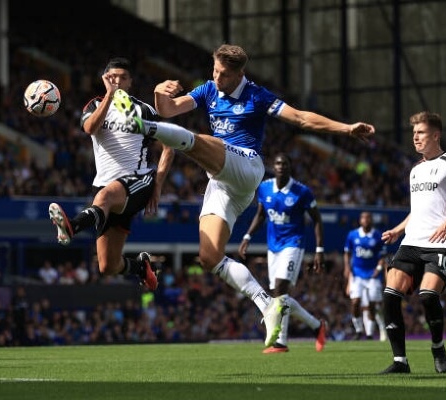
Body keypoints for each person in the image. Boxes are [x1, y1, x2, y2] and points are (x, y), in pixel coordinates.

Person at [113, 43, 375, 347]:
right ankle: (267, 304)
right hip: (222, 182)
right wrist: (159, 92)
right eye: (214, 70)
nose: (216, 77)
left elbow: (301, 118)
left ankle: (142, 126)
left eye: (223, 74)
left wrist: (346, 129)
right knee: (209, 256)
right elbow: (169, 109)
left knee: (201, 142)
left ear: (240, 74)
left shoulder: (257, 95)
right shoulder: (208, 90)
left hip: (248, 165)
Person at [48, 57, 174, 291]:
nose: (117, 81)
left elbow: (169, 145)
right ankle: (139, 266)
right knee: (108, 265)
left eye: (122, 77)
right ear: (104, 79)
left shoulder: (144, 110)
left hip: (138, 180)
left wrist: (157, 185)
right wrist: (109, 96)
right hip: (106, 185)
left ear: (130, 82)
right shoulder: (94, 106)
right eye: (112, 77)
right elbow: (89, 129)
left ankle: (72, 227)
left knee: (104, 198)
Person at [379, 111, 446, 374]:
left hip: (442, 241)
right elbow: (419, 210)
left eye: (420, 133)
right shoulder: (415, 170)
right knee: (390, 295)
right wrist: (399, 229)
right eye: (413, 134)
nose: (415, 138)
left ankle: (438, 346)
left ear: (436, 135)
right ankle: (400, 361)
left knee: (427, 295)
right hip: (412, 241)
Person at [238, 153, 327, 353]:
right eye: (277, 163)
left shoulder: (302, 192)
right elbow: (261, 215)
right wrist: (247, 236)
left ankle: (281, 341)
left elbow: (317, 220)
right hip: (273, 247)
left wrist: (319, 250)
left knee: (280, 290)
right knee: (280, 296)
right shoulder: (264, 188)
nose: (280, 166)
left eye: (284, 163)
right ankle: (316, 326)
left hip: (293, 244)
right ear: (273, 166)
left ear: (289, 167)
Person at [343, 211, 387, 341]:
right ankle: (358, 330)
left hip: (373, 275)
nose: (366, 220)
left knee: (372, 305)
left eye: (368, 217)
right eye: (363, 218)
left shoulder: (378, 235)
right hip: (357, 274)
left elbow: (382, 257)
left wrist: (378, 269)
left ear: (371, 220)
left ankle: (369, 333)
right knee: (355, 302)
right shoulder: (352, 235)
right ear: (360, 220)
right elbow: (347, 252)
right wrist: (346, 268)